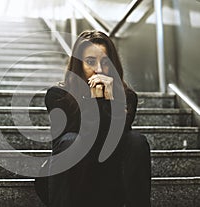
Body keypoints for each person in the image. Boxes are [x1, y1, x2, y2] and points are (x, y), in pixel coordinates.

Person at [35, 30, 151, 207]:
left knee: (136, 141)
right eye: (90, 61)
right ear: (78, 64)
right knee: (71, 141)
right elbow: (74, 143)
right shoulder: (58, 96)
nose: (99, 69)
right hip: (74, 183)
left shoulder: (127, 98)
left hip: (109, 182)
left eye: (105, 62)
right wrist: (92, 99)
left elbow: (114, 142)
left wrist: (111, 102)